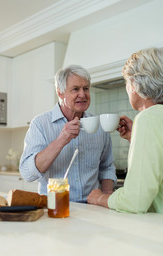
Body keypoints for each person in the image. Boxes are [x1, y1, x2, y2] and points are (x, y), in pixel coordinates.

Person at [87, 47, 163, 216]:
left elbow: (135, 200)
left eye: (127, 82)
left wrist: (99, 197)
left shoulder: (148, 119)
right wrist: (136, 139)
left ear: (134, 85)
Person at [19, 64, 117, 202]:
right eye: (75, 89)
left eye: (86, 89)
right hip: (55, 206)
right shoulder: (40, 124)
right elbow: (27, 173)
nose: (82, 94)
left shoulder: (99, 126)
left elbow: (107, 166)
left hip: (93, 208)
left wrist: (106, 193)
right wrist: (61, 139)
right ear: (60, 93)